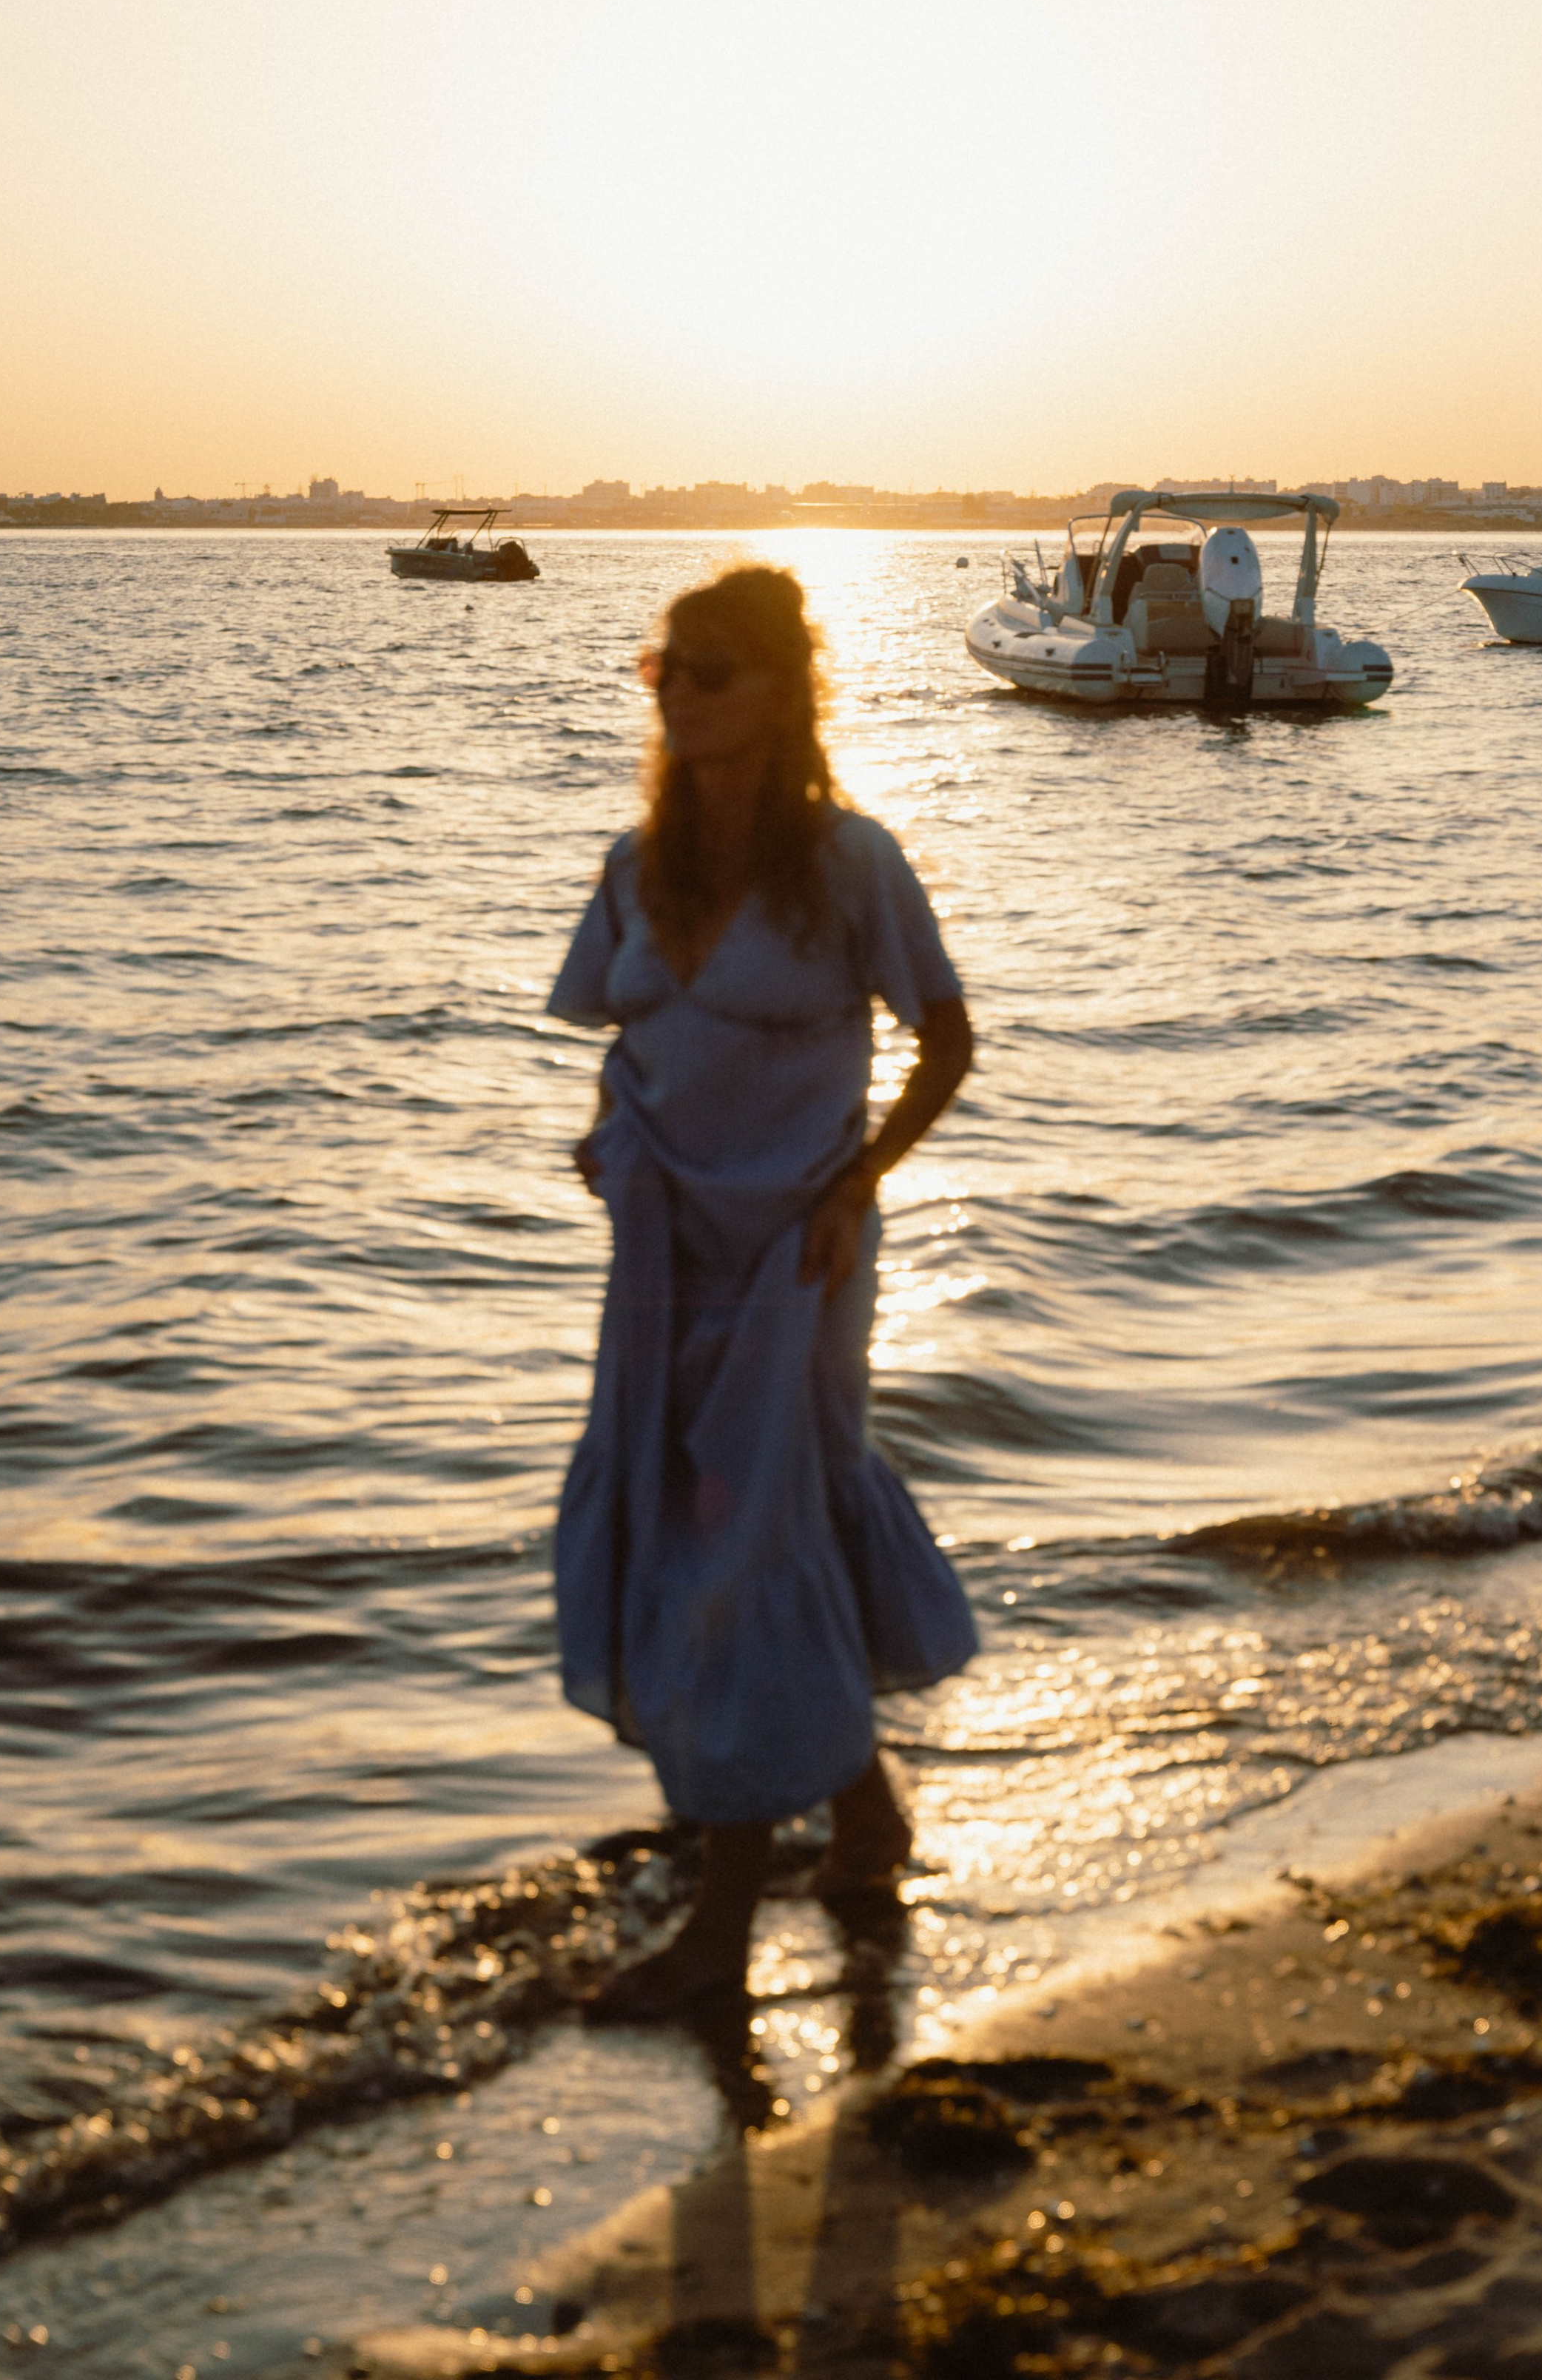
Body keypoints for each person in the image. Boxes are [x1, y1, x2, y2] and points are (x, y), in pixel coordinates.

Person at [546, 564, 977, 2018]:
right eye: (667, 665)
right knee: (721, 1516)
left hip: (800, 1252)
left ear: (784, 691)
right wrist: (608, 1137)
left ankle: (717, 1947)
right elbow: (624, 1047)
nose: (680, 691)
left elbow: (944, 1042)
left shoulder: (848, 864)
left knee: (742, 1552)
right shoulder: (632, 868)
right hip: (661, 1259)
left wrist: (856, 1187)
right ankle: (861, 1816)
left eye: (713, 670)